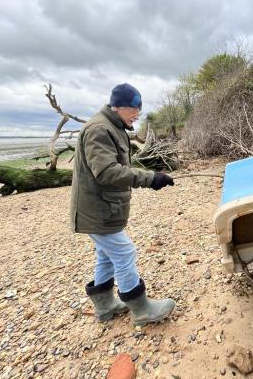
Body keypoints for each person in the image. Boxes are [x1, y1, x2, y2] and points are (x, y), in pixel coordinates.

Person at [70, 83, 176, 325]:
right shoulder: (99, 129)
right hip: (97, 210)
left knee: (106, 256)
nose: (136, 114)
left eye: (138, 109)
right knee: (124, 251)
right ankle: (141, 310)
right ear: (116, 106)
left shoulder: (113, 126)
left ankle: (105, 306)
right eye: (132, 109)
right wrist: (150, 178)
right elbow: (107, 172)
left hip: (102, 208)